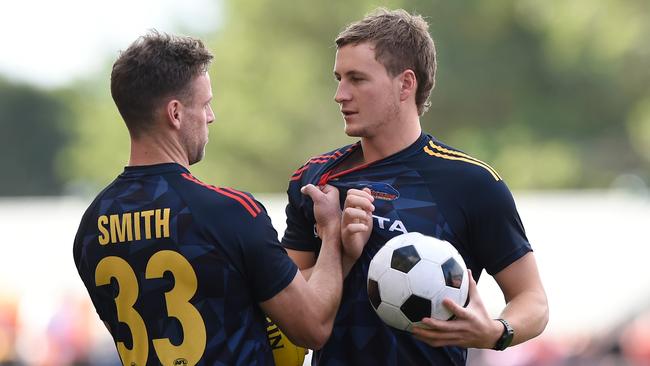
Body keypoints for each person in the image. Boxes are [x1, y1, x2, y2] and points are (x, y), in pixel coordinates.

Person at [72, 31, 371, 365]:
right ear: (175, 113)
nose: (211, 116)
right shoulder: (229, 212)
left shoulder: (89, 228)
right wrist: (331, 234)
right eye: (205, 104)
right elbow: (312, 327)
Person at [281, 8, 549, 365]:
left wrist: (497, 331)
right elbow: (285, 299)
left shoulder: (472, 182)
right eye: (338, 78)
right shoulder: (314, 181)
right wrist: (337, 248)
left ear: (406, 84)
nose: (340, 94)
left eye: (357, 79)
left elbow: (533, 300)